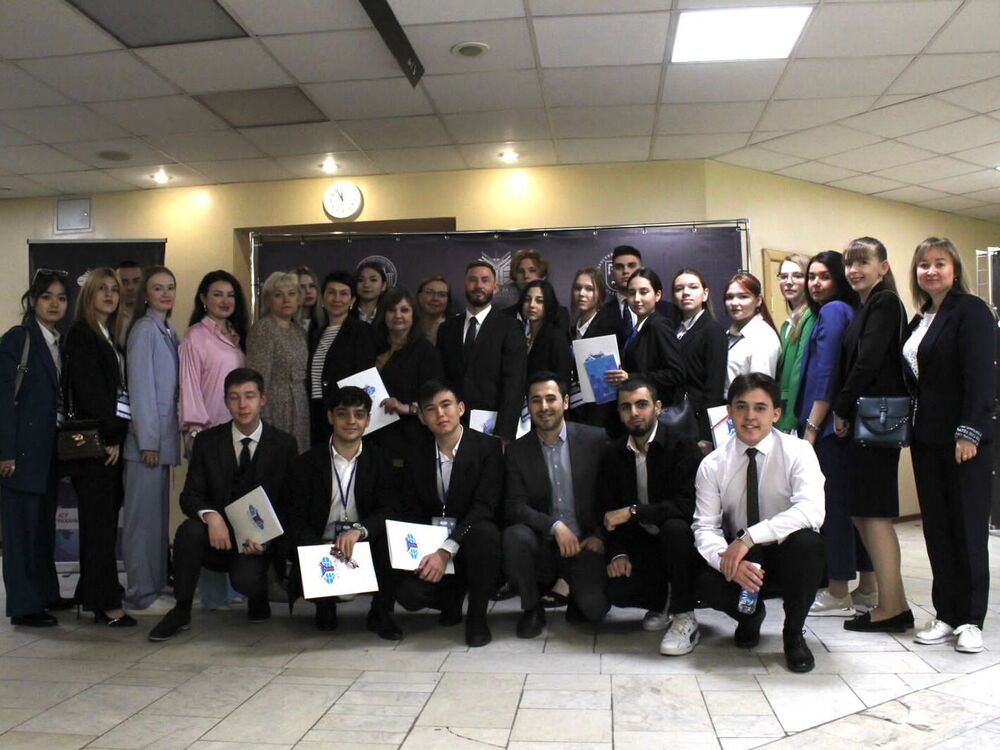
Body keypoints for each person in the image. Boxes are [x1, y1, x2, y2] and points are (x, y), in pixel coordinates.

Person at [148, 368, 298, 641]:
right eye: (234, 397)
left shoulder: (284, 444)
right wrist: (212, 517)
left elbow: (290, 505)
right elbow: (189, 496)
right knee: (189, 531)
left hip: (259, 543)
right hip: (218, 540)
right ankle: (181, 611)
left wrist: (267, 541)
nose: (242, 405)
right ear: (225, 401)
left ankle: (259, 596)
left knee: (247, 580)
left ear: (263, 399)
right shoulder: (207, 441)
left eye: (249, 396)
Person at [693, 373, 826, 673]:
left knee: (808, 543)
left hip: (784, 554)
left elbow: (812, 510)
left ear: (776, 414)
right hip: (741, 559)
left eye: (760, 408)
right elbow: (705, 527)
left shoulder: (798, 451)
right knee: (704, 575)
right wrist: (726, 561)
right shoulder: (712, 464)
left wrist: (750, 537)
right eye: (741, 407)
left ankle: (793, 634)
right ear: (729, 412)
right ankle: (750, 617)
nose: (750, 417)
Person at [904, 238, 995, 653]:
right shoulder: (921, 317)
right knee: (938, 529)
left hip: (964, 441)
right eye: (923, 265)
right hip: (926, 439)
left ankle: (971, 619)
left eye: (939, 263)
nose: (931, 271)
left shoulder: (970, 311)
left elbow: (983, 376)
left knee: (968, 530)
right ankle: (946, 613)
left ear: (955, 269)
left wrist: (969, 430)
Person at [833, 237, 914, 633]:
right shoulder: (866, 306)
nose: (854, 270)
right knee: (863, 512)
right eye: (849, 263)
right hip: (867, 421)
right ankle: (893, 604)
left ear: (883, 267)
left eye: (863, 262)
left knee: (875, 514)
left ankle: (892, 607)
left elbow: (867, 363)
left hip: (875, 421)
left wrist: (841, 406)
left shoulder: (885, 303)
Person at [283, 385, 401, 639]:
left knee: (389, 538)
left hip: (362, 540)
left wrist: (359, 531)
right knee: (303, 541)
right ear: (330, 417)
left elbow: (389, 509)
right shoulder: (305, 464)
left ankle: (381, 612)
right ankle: (325, 605)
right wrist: (321, 549)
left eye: (359, 414)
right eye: (342, 414)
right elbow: (296, 520)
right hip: (320, 542)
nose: (351, 421)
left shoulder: (380, 461)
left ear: (368, 420)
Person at [795, 252, 875, 618]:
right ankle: (868, 587)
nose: (815, 283)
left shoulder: (831, 311)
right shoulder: (844, 310)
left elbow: (826, 373)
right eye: (811, 276)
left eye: (824, 276)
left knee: (835, 509)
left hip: (827, 427)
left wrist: (811, 429)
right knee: (851, 506)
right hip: (838, 426)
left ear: (838, 280)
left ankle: (839, 589)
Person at [395, 381, 503, 647]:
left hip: (471, 541)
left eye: (446, 405)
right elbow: (411, 509)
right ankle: (450, 600)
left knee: (485, 532)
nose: (440, 414)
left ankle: (477, 617)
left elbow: (484, 507)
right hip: (432, 544)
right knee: (408, 595)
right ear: (422, 417)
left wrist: (447, 549)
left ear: (461, 408)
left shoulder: (487, 448)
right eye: (431, 409)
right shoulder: (415, 453)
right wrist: (426, 553)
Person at [601, 378, 703, 655]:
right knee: (615, 588)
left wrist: (634, 511)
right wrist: (618, 553)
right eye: (626, 407)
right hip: (641, 541)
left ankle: (685, 614)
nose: (634, 412)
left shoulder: (683, 446)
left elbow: (686, 506)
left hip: (681, 541)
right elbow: (609, 511)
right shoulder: (613, 453)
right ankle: (660, 602)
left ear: (657, 407)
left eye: (641, 404)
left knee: (674, 528)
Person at [503, 373, 610, 637]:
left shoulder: (594, 440)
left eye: (550, 399)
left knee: (594, 610)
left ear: (565, 402)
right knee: (514, 536)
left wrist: (600, 534)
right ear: (528, 406)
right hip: (543, 542)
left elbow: (612, 495)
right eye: (536, 400)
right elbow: (515, 506)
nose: (544, 407)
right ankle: (532, 608)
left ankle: (577, 596)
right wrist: (554, 526)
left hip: (585, 543)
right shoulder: (517, 450)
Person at [64, 268, 134, 627]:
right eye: (101, 289)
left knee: (102, 525)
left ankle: (92, 592)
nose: (109, 295)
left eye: (114, 290)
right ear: (88, 295)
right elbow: (91, 393)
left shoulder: (109, 335)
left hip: (108, 442)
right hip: (95, 446)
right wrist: (110, 437)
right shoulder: (82, 334)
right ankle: (106, 603)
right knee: (99, 527)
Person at [0, 270, 69, 626]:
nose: (54, 303)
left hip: (48, 454)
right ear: (32, 301)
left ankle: (45, 593)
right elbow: (3, 399)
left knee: (42, 529)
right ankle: (24, 606)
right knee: (21, 534)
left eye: (61, 297)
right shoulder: (19, 339)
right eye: (46, 297)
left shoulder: (59, 343)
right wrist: (6, 451)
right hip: (21, 455)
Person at [179, 270, 250, 612]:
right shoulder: (196, 336)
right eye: (217, 294)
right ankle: (212, 594)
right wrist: (195, 432)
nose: (225, 301)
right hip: (207, 435)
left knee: (234, 510)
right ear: (203, 299)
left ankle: (234, 587)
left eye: (230, 295)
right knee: (210, 513)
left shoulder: (236, 336)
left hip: (236, 433)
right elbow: (189, 386)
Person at [122, 266, 181, 614]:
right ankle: (140, 592)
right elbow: (141, 391)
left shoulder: (167, 330)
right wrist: (147, 442)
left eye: (170, 287)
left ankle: (156, 584)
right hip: (147, 446)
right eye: (158, 288)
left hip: (162, 443)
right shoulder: (144, 330)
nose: (165, 293)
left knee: (157, 522)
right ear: (145, 293)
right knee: (142, 523)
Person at [437, 261, 527, 442]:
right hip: (452, 426)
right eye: (473, 280)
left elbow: (514, 384)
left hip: (493, 428)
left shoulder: (510, 327)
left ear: (495, 288)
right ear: (464, 285)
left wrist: (504, 434)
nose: (478, 285)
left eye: (485, 280)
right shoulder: (447, 329)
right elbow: (441, 379)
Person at [374, 287, 443, 474]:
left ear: (414, 315)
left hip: (410, 439)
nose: (398, 315)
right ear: (383, 314)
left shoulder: (426, 352)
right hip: (372, 437)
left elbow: (435, 398)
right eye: (391, 310)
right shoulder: (372, 346)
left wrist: (406, 408)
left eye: (404, 310)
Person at [308, 270, 376, 446]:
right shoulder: (315, 334)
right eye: (331, 292)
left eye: (344, 293)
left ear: (352, 301)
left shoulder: (361, 331)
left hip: (345, 413)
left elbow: (364, 376)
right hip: (316, 411)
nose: (337, 298)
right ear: (323, 298)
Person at [604, 268, 686, 414]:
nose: (637, 299)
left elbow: (676, 374)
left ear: (657, 295)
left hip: (657, 411)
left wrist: (631, 377)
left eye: (644, 292)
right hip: (638, 409)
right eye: (631, 293)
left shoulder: (659, 325)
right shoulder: (636, 328)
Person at [247, 271, 310, 453]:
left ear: (299, 299)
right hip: (275, 405)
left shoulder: (298, 330)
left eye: (291, 294)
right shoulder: (263, 329)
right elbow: (258, 378)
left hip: (299, 405)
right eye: (278, 295)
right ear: (268, 300)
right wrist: (262, 415)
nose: (286, 300)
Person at [671, 268, 727, 442]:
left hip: (697, 423)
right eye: (679, 289)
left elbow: (714, 387)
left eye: (693, 287)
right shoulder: (672, 330)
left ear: (705, 294)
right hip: (672, 418)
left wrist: (707, 435)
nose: (685, 292)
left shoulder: (713, 330)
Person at [566, 267, 618, 431]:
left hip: (598, 417)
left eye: (589, 289)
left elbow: (605, 389)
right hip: (574, 412)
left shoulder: (607, 326)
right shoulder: (572, 327)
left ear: (600, 294)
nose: (582, 293)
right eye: (578, 288)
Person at [601, 245, 674, 348]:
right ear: (612, 273)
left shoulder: (668, 311)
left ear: (641, 269)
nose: (625, 271)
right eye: (619, 267)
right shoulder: (601, 313)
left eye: (631, 266)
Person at [774, 255, 815, 434]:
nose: (789, 282)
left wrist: (790, 421)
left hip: (795, 411)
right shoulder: (786, 323)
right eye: (783, 277)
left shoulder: (810, 316)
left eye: (797, 276)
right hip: (780, 408)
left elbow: (798, 372)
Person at [724, 272, 781, 391]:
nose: (734, 303)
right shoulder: (729, 334)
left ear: (758, 301)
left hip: (745, 402)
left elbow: (760, 389)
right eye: (729, 297)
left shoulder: (764, 337)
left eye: (743, 296)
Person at [503, 250, 570, 333]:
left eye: (532, 270)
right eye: (521, 271)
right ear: (515, 277)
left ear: (542, 276)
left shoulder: (560, 313)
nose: (526, 276)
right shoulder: (504, 315)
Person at [521, 280, 573, 388]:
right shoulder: (520, 335)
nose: (531, 305)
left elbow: (563, 379)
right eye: (527, 299)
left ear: (549, 304)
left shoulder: (556, 337)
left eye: (539, 301)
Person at [416, 275, 452, 345]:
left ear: (448, 300)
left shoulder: (455, 330)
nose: (435, 298)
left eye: (442, 295)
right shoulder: (408, 328)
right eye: (429, 293)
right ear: (419, 296)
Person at [115, 260, 143, 348]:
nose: (131, 287)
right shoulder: (107, 318)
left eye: (136, 281)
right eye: (124, 282)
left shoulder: (154, 316)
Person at [352, 260, 388, 325]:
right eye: (361, 280)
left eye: (373, 280)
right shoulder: (345, 313)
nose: (366, 285)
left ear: (383, 285)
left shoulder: (389, 314)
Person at [294, 266, 320, 332]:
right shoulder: (285, 322)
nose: (308, 291)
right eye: (302, 287)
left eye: (312, 286)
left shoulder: (326, 321)